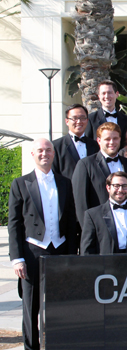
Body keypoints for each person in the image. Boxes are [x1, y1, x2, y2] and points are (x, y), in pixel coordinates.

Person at [8, 138, 77, 350]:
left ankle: (59, 344)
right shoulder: (20, 183)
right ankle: (31, 347)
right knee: (31, 306)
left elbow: (71, 220)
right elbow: (14, 224)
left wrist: (72, 255)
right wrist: (17, 258)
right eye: (40, 150)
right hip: (31, 252)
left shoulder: (65, 182)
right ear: (32, 154)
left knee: (60, 304)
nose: (44, 154)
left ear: (54, 154)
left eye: (48, 150)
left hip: (60, 249)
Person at [72, 122, 127, 227]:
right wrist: (88, 229)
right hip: (99, 227)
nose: (112, 142)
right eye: (107, 139)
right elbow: (80, 202)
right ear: (99, 141)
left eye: (115, 138)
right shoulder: (85, 165)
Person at [80, 172, 127, 255]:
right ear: (108, 188)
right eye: (116, 186)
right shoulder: (92, 215)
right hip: (105, 265)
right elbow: (87, 249)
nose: (120, 190)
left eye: (124, 186)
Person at [52, 104, 100, 180]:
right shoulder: (56, 146)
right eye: (74, 118)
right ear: (67, 121)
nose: (79, 121)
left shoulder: (95, 145)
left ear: (87, 121)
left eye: (82, 118)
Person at [84, 80, 127, 147]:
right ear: (99, 96)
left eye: (110, 93)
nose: (106, 96)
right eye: (103, 93)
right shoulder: (90, 119)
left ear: (117, 94)